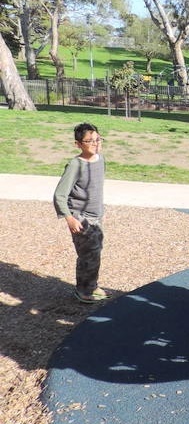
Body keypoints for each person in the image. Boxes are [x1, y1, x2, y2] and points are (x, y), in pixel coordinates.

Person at [53, 123, 108, 303]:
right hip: (80, 218)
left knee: (95, 251)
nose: (95, 143)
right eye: (89, 141)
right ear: (78, 144)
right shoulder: (76, 165)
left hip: (96, 216)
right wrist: (69, 218)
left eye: (97, 139)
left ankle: (91, 284)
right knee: (88, 254)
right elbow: (60, 195)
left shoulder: (100, 159)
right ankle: (83, 290)